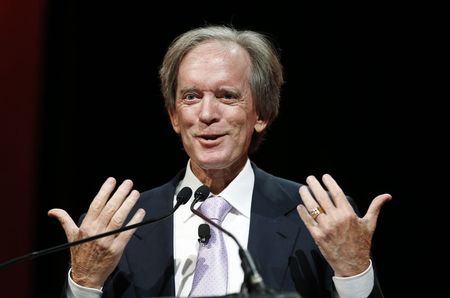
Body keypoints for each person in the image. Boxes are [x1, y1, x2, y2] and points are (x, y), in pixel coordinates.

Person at [48, 25, 392, 298]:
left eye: (227, 96)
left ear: (262, 114)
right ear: (173, 116)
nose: (207, 114)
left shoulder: (318, 219)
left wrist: (354, 272)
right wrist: (85, 283)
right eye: (191, 97)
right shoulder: (117, 228)